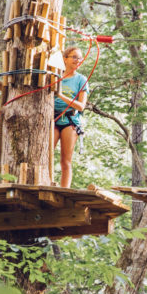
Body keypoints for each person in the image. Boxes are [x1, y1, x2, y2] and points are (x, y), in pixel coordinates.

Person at [54, 46, 88, 188]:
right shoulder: (55, 76)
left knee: (65, 161)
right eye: (74, 57)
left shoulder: (81, 79)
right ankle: (45, 182)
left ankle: (64, 189)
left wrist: (61, 95)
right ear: (65, 59)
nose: (77, 60)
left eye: (79, 58)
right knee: (46, 155)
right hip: (53, 119)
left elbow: (81, 106)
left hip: (70, 121)